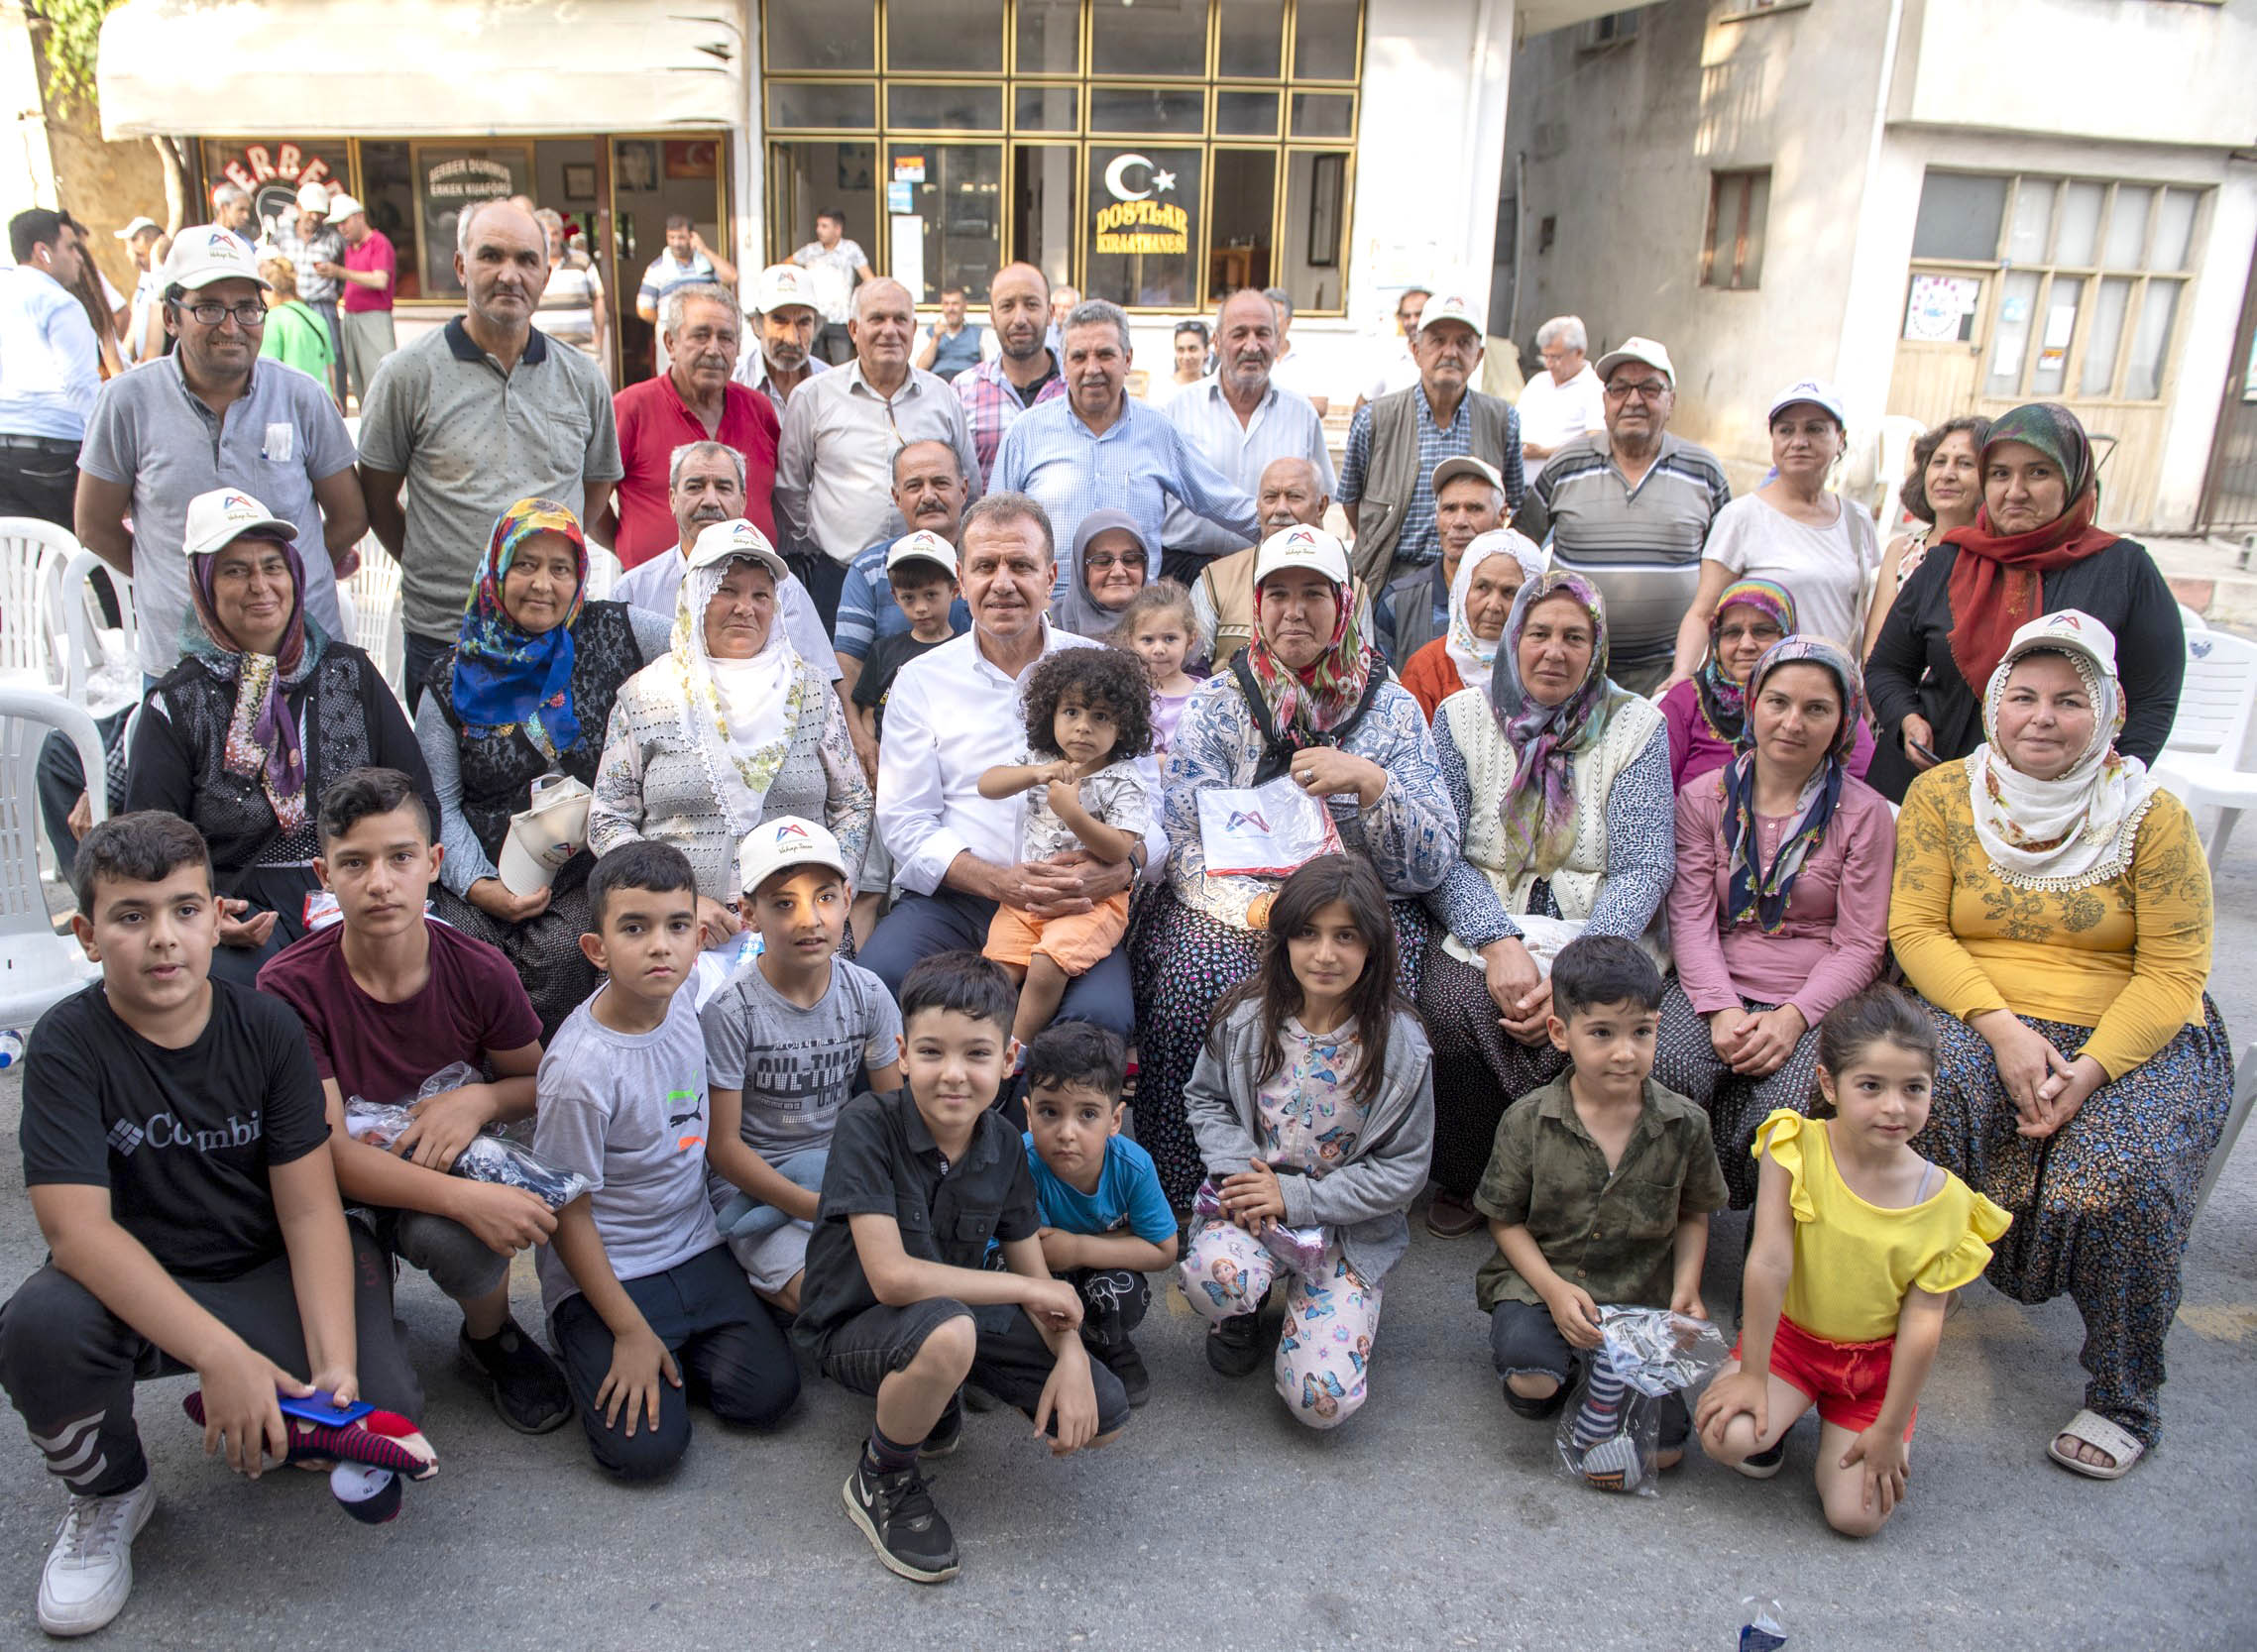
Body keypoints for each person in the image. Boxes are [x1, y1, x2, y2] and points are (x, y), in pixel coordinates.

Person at [0, 812, 420, 1637]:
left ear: (215, 915)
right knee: (36, 1328)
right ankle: (110, 1491)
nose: (163, 939)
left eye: (185, 910)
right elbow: (80, 1234)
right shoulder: (65, 1046)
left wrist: (334, 1375)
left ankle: (286, 1395)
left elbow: (308, 1207)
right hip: (132, 1284)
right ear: (87, 934)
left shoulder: (264, 1027)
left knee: (376, 1398)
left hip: (256, 1266)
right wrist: (221, 1356)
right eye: (132, 916)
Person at [1888, 609, 2231, 1480]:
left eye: (2070, 701)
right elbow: (1918, 930)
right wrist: (2000, 1029)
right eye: (2025, 696)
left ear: (2109, 712)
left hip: (2127, 1031)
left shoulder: (2150, 815)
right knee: (1901, 1106)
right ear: (1996, 703)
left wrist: (2087, 1071)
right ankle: (1871, 1332)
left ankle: (2124, 1393)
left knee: (2121, 1178)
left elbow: (2173, 970)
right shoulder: (1942, 796)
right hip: (1978, 1012)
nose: (2041, 717)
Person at [1131, 524, 1455, 1210]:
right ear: (1256, 604)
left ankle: (1332, 1198)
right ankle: (1192, 1191)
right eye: (1277, 593)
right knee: (1193, 984)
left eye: (1314, 593)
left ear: (1344, 604)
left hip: (1362, 906)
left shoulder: (1390, 708)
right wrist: (1252, 909)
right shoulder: (1218, 703)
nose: (1294, 610)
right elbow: (1184, 840)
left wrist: (1370, 781)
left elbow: (1430, 860)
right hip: (1242, 901)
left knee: (1374, 991)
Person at [793, 951, 1129, 1585]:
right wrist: (1031, 1286)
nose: (953, 1075)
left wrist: (1073, 1355)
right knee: (949, 1334)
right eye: (931, 1052)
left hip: (951, 1318)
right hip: (856, 1327)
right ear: (901, 1053)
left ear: (1008, 1061)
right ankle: (882, 1475)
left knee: (1102, 1415)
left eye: (976, 1054)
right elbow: (892, 1278)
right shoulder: (868, 1125)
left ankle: (934, 1393)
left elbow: (1037, 1275)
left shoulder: (1002, 1144)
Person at [258, 768, 570, 1434]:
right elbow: (326, 1155)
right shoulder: (288, 986)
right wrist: (470, 1197)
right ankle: (365, 1294)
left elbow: (534, 1081)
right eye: (354, 862)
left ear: (432, 863)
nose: (379, 881)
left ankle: (490, 1338)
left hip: (432, 1164)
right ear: (323, 873)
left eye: (400, 857)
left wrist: (479, 1100)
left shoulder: (479, 968)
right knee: (370, 1402)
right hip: (328, 1196)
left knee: (457, 1239)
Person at [1414, 572, 1674, 1238]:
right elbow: (1442, 852)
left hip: (1597, 930)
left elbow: (1644, 864)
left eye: (1572, 636)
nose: (1553, 651)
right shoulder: (1460, 717)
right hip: (1483, 920)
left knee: (1602, 1015)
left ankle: (1570, 1182)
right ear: (1510, 639)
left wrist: (1575, 970)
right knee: (1450, 1008)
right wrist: (1497, 944)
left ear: (1597, 645)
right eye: (1537, 633)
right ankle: (1470, 1172)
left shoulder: (1636, 724)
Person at [1698, 988, 2011, 1532]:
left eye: (1914, 1088)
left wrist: (1888, 1429)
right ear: (1829, 1084)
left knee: (1855, 1518)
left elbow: (1922, 1324)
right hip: (1791, 1345)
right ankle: (1777, 1415)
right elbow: (1769, 1262)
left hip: (1873, 1372)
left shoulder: (1947, 1204)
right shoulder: (1793, 1146)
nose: (1894, 1107)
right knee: (1729, 1436)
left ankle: (1832, 1437)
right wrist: (1751, 1373)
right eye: (1871, 1086)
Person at [535, 841, 801, 1481]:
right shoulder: (579, 1071)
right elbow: (568, 1216)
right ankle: (598, 1344)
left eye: (677, 926)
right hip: (609, 1271)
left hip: (693, 1244)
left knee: (769, 1397)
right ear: (596, 951)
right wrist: (626, 1331)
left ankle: (673, 1354)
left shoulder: (685, 998)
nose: (662, 946)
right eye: (635, 928)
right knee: (647, 1455)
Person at [864, 495, 1168, 1046]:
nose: (1002, 583)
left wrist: (1121, 871)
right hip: (957, 899)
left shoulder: (1101, 672)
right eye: (984, 566)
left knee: (1100, 1021)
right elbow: (906, 823)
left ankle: (1031, 1128)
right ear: (960, 579)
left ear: (1051, 577)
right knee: (879, 979)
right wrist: (998, 881)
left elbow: (1154, 818)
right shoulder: (920, 680)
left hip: (1077, 901)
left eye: (1021, 566)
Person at [124, 488, 432, 984]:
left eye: (272, 566)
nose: (259, 585)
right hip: (237, 901)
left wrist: (385, 881)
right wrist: (201, 914)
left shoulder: (348, 673)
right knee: (243, 990)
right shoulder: (180, 701)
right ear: (204, 584)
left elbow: (418, 797)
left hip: (357, 884)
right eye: (235, 570)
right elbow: (150, 840)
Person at [1178, 854, 1434, 1429]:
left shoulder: (1401, 1048)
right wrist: (1241, 1176)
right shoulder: (1247, 1019)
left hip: (1344, 1231)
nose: (1325, 954)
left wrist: (1295, 1200)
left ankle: (1335, 1306)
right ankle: (1243, 1310)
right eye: (1308, 933)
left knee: (1321, 1403)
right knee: (1212, 1278)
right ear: (1284, 939)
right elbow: (1207, 1098)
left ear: (1373, 945)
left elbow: (1404, 1172)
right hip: (1251, 1212)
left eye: (1346, 936)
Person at [415, 496, 672, 1037]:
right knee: (462, 954)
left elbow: (697, 649)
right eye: (525, 565)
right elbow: (436, 801)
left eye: (560, 569)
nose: (543, 585)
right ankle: (476, 1095)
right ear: (496, 570)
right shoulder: (451, 677)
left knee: (564, 953)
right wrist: (481, 886)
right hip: (481, 869)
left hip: (587, 865)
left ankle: (547, 1092)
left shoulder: (613, 632)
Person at [358, 198, 621, 715]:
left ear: (546, 275)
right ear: (461, 267)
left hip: (550, 636)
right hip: (445, 634)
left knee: (554, 793)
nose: (510, 275)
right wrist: (434, 562)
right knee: (447, 791)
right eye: (490, 257)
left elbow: (595, 487)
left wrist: (551, 560)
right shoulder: (408, 373)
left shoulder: (582, 378)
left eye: (526, 260)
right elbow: (376, 496)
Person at [1478, 936, 1726, 1480]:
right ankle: (1574, 1369)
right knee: (1531, 1377)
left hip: (1639, 1293)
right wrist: (1554, 1291)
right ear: (1560, 1034)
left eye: (1642, 1032)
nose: (1624, 1052)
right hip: (1546, 1282)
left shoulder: (1685, 1125)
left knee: (1666, 1454)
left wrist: (1686, 1287)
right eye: (1602, 1033)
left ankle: (1604, 1373)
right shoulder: (1528, 1120)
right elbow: (1504, 1217)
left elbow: (1693, 1212)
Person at [1656, 638, 1893, 1204]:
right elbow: (1691, 919)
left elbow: (1861, 943)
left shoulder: (1865, 815)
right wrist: (1720, 1010)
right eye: (1778, 702)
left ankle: (1771, 1259)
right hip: (1713, 989)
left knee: (1786, 1110)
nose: (1793, 723)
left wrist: (1792, 1019)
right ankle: (1652, 1233)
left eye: (1817, 709)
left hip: (1815, 1000)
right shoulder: (1703, 799)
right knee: (1662, 1071)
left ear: (1842, 723)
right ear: (1752, 703)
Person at [77, 227, 368, 684]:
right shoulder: (127, 402)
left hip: (299, 658)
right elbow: (93, 525)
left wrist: (289, 574)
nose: (231, 327)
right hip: (181, 665)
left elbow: (350, 517)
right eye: (209, 308)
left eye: (247, 308)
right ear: (171, 317)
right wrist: (179, 578)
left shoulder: (301, 397)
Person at [1864, 403, 2183, 805]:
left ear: (2073, 479)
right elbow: (1887, 667)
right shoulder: (1947, 562)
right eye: (2000, 474)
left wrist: (2111, 780)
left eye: (2038, 472)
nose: (2015, 491)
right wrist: (1907, 720)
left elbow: (2154, 696)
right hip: (1924, 786)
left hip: (2057, 806)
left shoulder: (2123, 569)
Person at [590, 518, 870, 932]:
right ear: (696, 596)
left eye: (761, 594)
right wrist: (675, 902)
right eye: (727, 589)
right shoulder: (646, 696)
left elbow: (854, 805)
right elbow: (607, 818)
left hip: (800, 932)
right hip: (674, 933)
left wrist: (822, 898)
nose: (746, 608)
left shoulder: (812, 694)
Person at [701, 817, 902, 1315]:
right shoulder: (730, 1011)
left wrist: (864, 1193)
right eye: (784, 903)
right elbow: (723, 1148)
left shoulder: (868, 993)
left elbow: (891, 1111)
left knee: (904, 1269)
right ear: (748, 914)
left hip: (840, 1171)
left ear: (848, 898)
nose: (810, 919)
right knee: (831, 1295)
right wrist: (815, 1208)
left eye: (825, 897)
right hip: (755, 1183)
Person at [994, 298, 1259, 603]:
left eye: (1105, 355)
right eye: (1079, 357)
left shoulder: (1158, 431)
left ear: (1128, 359)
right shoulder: (1026, 432)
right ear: (1064, 363)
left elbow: (1221, 501)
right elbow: (996, 526)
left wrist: (1286, 530)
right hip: (1051, 621)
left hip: (1135, 623)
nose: (1092, 369)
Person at [1512, 337, 1732, 697]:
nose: (1633, 400)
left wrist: (1699, 666)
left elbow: (1726, 572)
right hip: (1570, 673)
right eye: (1620, 388)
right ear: (1605, 400)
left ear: (1671, 400)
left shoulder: (1704, 472)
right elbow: (1520, 549)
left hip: (1670, 677)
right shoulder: (1566, 465)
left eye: (1649, 388)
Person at [774, 278, 984, 626]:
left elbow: (970, 486)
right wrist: (818, 549)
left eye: (900, 320)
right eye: (877, 319)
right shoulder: (813, 396)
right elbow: (791, 490)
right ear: (854, 329)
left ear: (914, 328)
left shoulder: (942, 397)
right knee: (842, 678)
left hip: (931, 580)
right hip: (839, 578)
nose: (890, 330)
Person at [977, 646, 1153, 1046]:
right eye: (1071, 712)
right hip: (1028, 901)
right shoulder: (1041, 760)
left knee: (1044, 966)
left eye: (1101, 716)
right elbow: (987, 784)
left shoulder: (1125, 780)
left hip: (1092, 905)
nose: (1083, 727)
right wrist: (1035, 773)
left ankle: (1014, 1052)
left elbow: (1118, 850)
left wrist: (1074, 814)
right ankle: (984, 1046)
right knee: (996, 972)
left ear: (1123, 726)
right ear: (1050, 714)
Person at [1669, 381, 1879, 684]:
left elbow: (1865, 618)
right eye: (1786, 430)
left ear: (1840, 438)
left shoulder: (1857, 520)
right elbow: (1703, 612)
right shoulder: (1742, 517)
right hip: (1761, 693)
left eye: (1815, 429)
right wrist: (1682, 674)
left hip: (1834, 694)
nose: (1799, 441)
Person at [1014, 1022, 1178, 1406]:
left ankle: (1108, 1343)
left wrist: (1078, 1248)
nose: (1067, 1132)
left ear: (1115, 1120)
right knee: (1001, 1271)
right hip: (1032, 1275)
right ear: (1028, 1113)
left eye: (1087, 1114)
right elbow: (1038, 1254)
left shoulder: (1133, 1167)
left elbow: (1163, 1249)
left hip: (1091, 1269)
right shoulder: (1020, 1163)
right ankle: (1019, 1354)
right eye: (1049, 1111)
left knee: (1123, 1291)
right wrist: (1122, 1241)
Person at [1338, 292, 1524, 591]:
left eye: (1463, 343)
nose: (1450, 352)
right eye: (1438, 341)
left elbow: (1513, 500)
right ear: (1416, 350)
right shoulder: (1375, 419)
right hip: (1390, 577)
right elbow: (1350, 500)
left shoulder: (1503, 420)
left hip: (1473, 581)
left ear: (1478, 356)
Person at [611, 441, 834, 676]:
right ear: (672, 499)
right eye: (695, 487)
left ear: (743, 502)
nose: (710, 500)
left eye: (724, 488)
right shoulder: (632, 592)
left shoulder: (783, 587)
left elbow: (820, 682)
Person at [1159, 288, 1335, 586]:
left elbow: (1320, 508)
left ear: (1278, 341)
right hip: (1185, 575)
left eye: (1262, 334)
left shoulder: (1301, 414)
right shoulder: (1177, 409)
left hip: (1273, 574)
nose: (1251, 346)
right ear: (1216, 341)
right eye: (1239, 334)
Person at [846, 530, 965, 944]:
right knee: (870, 885)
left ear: (956, 590)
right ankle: (862, 972)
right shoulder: (886, 650)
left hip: (939, 786)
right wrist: (872, 753)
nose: (921, 607)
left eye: (932, 595)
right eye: (908, 597)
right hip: (888, 783)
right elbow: (863, 707)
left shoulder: (965, 652)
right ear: (895, 597)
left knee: (914, 886)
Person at [606, 283, 779, 566]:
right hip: (656, 598)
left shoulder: (759, 409)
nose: (713, 350)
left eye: (726, 338)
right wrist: (631, 545)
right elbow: (593, 500)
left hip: (746, 596)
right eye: (700, 335)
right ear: (670, 343)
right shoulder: (631, 408)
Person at [1657, 579, 1875, 789]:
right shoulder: (1685, 699)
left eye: (1762, 631)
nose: (1746, 645)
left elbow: (1858, 780)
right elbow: (1656, 788)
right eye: (1732, 632)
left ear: (1788, 633)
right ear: (1716, 638)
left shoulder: (1825, 692)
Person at [1188, 455, 1372, 672]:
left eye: (1294, 497)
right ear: (1258, 506)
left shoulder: (1351, 588)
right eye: (1270, 497)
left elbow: (1362, 669)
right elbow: (1191, 670)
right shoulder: (1216, 581)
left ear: (1321, 506)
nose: (1281, 508)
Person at [833, 442, 975, 709]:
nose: (929, 496)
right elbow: (849, 662)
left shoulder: (986, 563)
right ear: (897, 498)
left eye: (941, 483)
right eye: (914, 486)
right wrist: (859, 734)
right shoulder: (871, 569)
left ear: (964, 490)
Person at [0, 209, 99, 527]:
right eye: (71, 247)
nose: (79, 259)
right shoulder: (60, 302)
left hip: (6, 446)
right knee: (93, 551)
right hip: (53, 454)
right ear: (43, 251)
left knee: (26, 566)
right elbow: (82, 386)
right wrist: (112, 450)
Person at [1863, 416, 1987, 661]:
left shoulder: (2000, 553)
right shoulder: (1901, 551)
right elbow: (1873, 652)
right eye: (1939, 462)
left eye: (1964, 464)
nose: (1947, 474)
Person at [1396, 527, 1544, 720]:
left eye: (1510, 592)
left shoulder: (1546, 663)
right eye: (1482, 587)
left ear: (1532, 601)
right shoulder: (1427, 667)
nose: (1493, 605)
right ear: (1463, 588)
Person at [1374, 456, 1510, 666]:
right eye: (1449, 509)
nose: (1459, 522)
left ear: (1501, 516)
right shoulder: (1398, 602)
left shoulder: (1521, 602)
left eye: (1474, 509)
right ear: (1437, 517)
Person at [951, 262, 1066, 486]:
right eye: (1007, 306)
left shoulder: (1074, 386)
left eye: (1031, 305)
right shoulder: (964, 391)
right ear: (992, 317)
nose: (1019, 319)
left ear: (1050, 313)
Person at [312, 190, 396, 406]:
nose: (342, 228)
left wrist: (339, 272)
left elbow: (380, 280)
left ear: (359, 216)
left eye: (345, 222)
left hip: (374, 319)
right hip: (351, 317)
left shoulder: (379, 242)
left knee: (379, 379)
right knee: (359, 383)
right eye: (338, 224)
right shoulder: (350, 248)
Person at [271, 182, 345, 403]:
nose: (314, 216)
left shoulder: (332, 239)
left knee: (332, 357)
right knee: (290, 359)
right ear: (298, 207)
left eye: (319, 213)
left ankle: (333, 405)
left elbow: (341, 279)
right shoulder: (281, 234)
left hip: (322, 305)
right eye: (310, 210)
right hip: (289, 305)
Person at [1111, 579, 1201, 754]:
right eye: (1148, 640)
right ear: (1130, 641)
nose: (1159, 649)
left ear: (1190, 639)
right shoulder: (1122, 694)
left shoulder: (1207, 696)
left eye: (1170, 638)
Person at [732, 263, 829, 412]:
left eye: (804, 323)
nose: (792, 339)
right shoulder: (734, 382)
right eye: (780, 321)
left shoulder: (829, 384)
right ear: (757, 326)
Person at [634, 214, 737, 353]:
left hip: (704, 334)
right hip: (673, 337)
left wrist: (704, 250)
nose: (676, 243)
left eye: (681, 237)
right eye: (671, 237)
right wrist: (671, 323)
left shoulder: (706, 262)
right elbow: (644, 309)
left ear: (692, 236)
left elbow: (731, 277)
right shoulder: (657, 269)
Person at [1515, 315, 1606, 464]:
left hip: (1564, 481)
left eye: (1556, 357)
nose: (1549, 364)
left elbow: (1596, 445)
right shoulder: (1538, 382)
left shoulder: (1594, 388)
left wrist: (1545, 453)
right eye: (1545, 357)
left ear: (1579, 352)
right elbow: (1513, 427)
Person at [529, 207, 610, 377]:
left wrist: (598, 342)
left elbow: (598, 298)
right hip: (543, 354)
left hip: (583, 351)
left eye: (555, 233)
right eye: (546, 233)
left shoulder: (582, 260)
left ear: (562, 234)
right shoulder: (529, 264)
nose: (551, 239)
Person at [1055, 507, 1153, 639]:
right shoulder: (1049, 627)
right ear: (1081, 570)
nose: (1118, 572)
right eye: (1103, 561)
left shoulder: (1170, 622)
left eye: (1130, 559)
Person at [791, 209, 871, 366]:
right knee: (814, 367)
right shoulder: (810, 250)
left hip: (840, 319)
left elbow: (869, 279)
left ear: (837, 229)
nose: (819, 230)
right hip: (814, 318)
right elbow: (784, 268)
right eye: (818, 225)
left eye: (824, 226)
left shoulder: (850, 249)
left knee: (841, 366)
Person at [254, 253, 336, 393]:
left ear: (270, 291)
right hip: (320, 400)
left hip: (290, 403)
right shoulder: (317, 318)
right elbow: (329, 368)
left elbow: (265, 370)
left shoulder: (272, 320)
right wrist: (334, 395)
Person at [1355, 286, 1429, 410]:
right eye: (1406, 316)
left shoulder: (1448, 354)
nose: (1412, 321)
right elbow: (1363, 402)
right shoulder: (1389, 357)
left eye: (1418, 314)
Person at [1262, 286, 1327, 417]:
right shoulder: (1250, 357)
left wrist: (1281, 405)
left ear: (1288, 321)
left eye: (1274, 314)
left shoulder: (1307, 358)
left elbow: (1321, 406)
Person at [115, 214, 166, 366]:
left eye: (128, 245)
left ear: (141, 242)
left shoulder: (164, 280)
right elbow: (133, 330)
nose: (126, 253)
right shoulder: (143, 285)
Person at [914, 284, 988, 381]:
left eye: (955, 304)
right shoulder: (930, 333)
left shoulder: (978, 334)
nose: (950, 309)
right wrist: (936, 338)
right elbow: (920, 368)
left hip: (969, 384)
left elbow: (989, 368)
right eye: (946, 304)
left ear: (965, 306)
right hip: (939, 384)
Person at [1147, 318, 1208, 409]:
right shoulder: (1161, 389)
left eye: (1192, 349)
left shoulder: (1213, 390)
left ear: (1206, 351)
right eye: (1181, 350)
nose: (1186, 356)